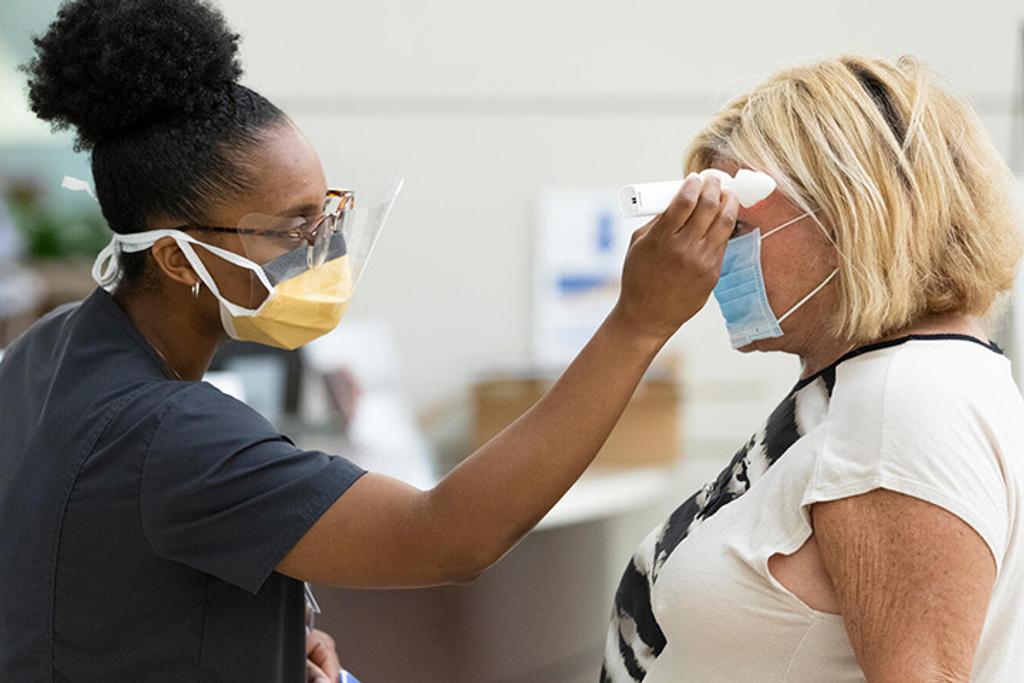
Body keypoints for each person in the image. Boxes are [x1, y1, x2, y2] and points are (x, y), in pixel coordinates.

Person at [0, 1, 738, 681]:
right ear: (173, 257)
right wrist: (638, 322)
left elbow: (80, 561)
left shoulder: (49, 349)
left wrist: (256, 631)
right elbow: (447, 536)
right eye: (291, 229)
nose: (320, 251)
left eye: (325, 216)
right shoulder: (171, 433)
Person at [602, 55, 1024, 682]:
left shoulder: (902, 402)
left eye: (735, 228)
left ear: (853, 215)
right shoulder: (880, 384)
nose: (711, 256)